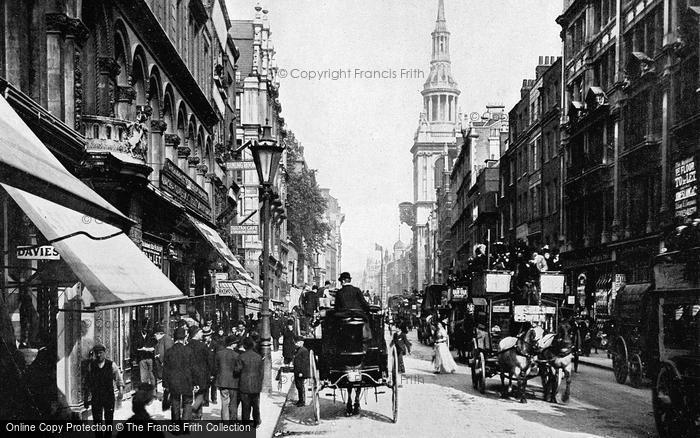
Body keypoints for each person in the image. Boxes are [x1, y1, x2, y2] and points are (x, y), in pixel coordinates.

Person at [85, 344, 124, 426]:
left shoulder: (111, 365)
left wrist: (120, 391)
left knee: (109, 420)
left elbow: (119, 379)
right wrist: (86, 398)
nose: (99, 355)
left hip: (109, 396)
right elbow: (87, 383)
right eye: (96, 353)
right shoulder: (91, 366)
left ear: (104, 353)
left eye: (100, 353)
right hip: (96, 397)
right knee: (97, 421)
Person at [163, 327, 196, 421]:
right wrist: (195, 382)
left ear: (174, 338)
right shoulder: (189, 351)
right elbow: (193, 368)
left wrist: (165, 384)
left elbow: (165, 369)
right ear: (184, 338)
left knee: (175, 403)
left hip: (173, 381)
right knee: (187, 402)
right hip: (187, 381)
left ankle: (176, 426)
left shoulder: (169, 352)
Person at [236, 337, 264, 428]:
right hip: (256, 385)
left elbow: (237, 370)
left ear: (244, 346)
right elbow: (261, 372)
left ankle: (245, 423)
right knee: (256, 405)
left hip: (244, 384)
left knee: (245, 406)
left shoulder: (241, 356)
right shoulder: (258, 357)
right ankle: (256, 421)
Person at [187, 326, 212, 420]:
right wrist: (210, 373)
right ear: (196, 333)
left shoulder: (187, 346)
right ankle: (197, 414)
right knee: (200, 395)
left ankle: (189, 413)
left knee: (189, 395)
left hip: (189, 374)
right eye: (201, 332)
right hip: (201, 374)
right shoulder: (203, 346)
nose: (202, 334)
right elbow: (209, 361)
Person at [215, 335, 241, 421]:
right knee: (233, 403)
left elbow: (215, 367)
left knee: (224, 402)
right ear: (233, 344)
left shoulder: (219, 354)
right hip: (233, 382)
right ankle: (233, 420)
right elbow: (238, 369)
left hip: (222, 381)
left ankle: (225, 421)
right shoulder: (236, 355)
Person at [153, 324, 173, 395]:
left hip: (166, 365)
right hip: (161, 365)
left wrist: (162, 360)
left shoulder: (167, 339)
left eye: (155, 335)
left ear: (159, 334)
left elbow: (168, 353)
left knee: (167, 383)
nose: (154, 337)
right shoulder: (160, 340)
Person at [292, 337, 310, 406]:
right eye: (296, 343)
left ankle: (302, 401)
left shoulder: (304, 350)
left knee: (300, 386)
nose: (296, 344)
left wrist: (301, 372)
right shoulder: (299, 349)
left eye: (298, 342)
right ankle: (300, 400)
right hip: (297, 371)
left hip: (300, 372)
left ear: (302, 343)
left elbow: (304, 363)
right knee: (298, 386)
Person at [203, 326, 218, 406]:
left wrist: (215, 370)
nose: (206, 337)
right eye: (204, 335)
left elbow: (216, 358)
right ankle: (206, 400)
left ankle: (214, 398)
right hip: (205, 368)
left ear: (210, 336)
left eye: (207, 335)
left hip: (213, 367)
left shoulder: (215, 344)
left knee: (214, 385)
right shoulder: (202, 344)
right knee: (206, 385)